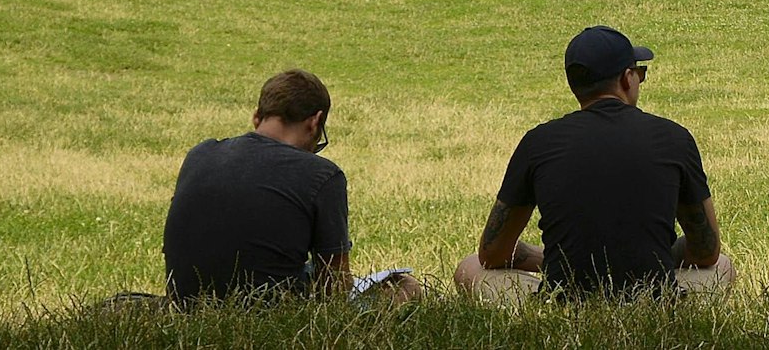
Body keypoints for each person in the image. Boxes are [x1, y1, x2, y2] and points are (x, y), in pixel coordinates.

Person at [455, 26, 734, 300]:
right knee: (721, 265)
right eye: (640, 72)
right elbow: (706, 251)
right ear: (627, 78)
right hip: (653, 296)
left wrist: (553, 259)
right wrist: (656, 253)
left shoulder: (538, 142)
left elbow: (491, 254)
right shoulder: (675, 138)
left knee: (470, 267)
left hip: (564, 297)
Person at [163, 69, 419, 306]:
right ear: (315, 123)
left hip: (184, 300)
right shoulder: (322, 174)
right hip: (269, 307)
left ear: (256, 118)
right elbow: (334, 285)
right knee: (406, 288)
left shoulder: (199, 153)